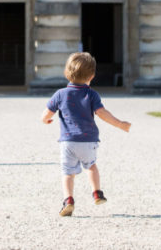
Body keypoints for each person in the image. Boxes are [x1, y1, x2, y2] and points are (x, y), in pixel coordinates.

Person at [41, 51, 131, 217]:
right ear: (92, 75)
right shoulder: (91, 94)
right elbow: (103, 113)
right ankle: (97, 192)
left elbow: (46, 113)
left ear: (66, 73)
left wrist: (45, 120)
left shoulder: (60, 94)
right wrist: (120, 124)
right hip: (88, 140)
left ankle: (68, 200)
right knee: (91, 166)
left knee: (68, 172)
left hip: (68, 141)